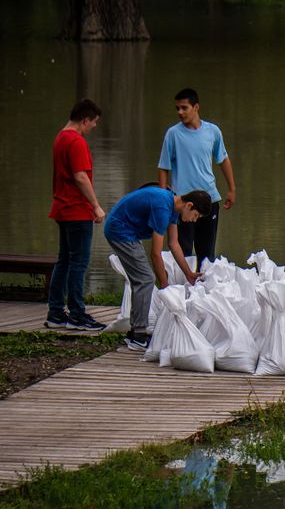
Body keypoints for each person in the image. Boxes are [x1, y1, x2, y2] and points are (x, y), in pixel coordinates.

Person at [103, 184, 210, 351]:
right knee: (146, 279)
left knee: (141, 280)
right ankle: (138, 335)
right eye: (195, 215)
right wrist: (165, 286)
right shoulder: (163, 208)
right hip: (119, 230)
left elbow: (174, 244)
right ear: (189, 205)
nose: (194, 220)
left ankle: (135, 332)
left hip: (127, 231)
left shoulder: (174, 207)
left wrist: (188, 273)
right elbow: (155, 253)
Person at [156, 87, 235, 266]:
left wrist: (232, 189)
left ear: (196, 107)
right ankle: (181, 291)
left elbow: (223, 160)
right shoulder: (173, 134)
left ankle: (205, 290)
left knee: (206, 253)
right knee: (182, 250)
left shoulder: (213, 131)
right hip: (183, 202)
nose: (180, 112)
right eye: (177, 108)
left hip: (209, 200)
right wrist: (163, 198)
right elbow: (163, 167)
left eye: (184, 108)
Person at [46, 99, 106, 332]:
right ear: (85, 120)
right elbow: (80, 176)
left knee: (64, 261)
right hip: (76, 210)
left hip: (62, 207)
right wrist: (96, 206)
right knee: (78, 264)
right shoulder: (76, 141)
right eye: (93, 123)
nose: (93, 127)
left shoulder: (61, 137)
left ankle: (56, 313)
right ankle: (77, 315)